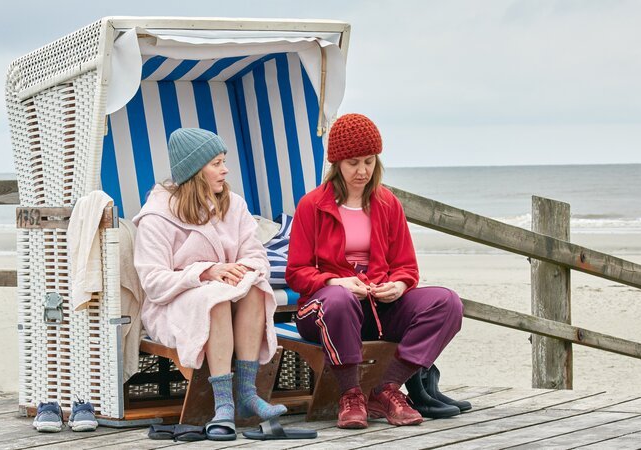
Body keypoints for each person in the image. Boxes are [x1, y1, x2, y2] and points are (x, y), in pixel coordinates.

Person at [285, 113, 464, 429]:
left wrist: (398, 285)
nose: (362, 171)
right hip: (324, 312)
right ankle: (350, 395)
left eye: (369, 161)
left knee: (447, 302)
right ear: (337, 162)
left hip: (380, 309)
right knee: (339, 299)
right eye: (353, 162)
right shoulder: (311, 205)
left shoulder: (388, 203)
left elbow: (407, 267)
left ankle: (387, 389)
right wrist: (335, 281)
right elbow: (296, 272)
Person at [133, 128, 286, 441]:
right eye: (216, 163)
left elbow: (257, 258)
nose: (225, 169)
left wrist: (239, 273)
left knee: (255, 287)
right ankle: (224, 405)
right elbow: (153, 282)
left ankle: (246, 392)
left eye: (224, 161)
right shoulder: (156, 218)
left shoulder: (234, 206)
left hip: (230, 297)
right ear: (194, 170)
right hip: (173, 304)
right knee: (215, 296)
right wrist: (206, 272)